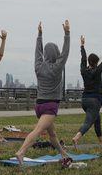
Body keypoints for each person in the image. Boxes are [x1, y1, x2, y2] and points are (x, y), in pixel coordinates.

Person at [15, 21, 72, 165]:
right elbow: (65, 52)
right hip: (50, 106)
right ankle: (21, 152)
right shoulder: (57, 67)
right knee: (37, 131)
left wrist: (39, 35)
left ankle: (62, 152)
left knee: (52, 134)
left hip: (39, 106)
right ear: (56, 53)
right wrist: (67, 34)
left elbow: (37, 53)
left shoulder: (38, 66)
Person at [71, 34, 102, 146]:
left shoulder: (83, 70)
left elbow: (83, 59)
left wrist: (82, 46)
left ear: (89, 62)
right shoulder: (97, 70)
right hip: (94, 100)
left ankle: (101, 140)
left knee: (97, 118)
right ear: (96, 62)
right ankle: (77, 137)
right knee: (89, 122)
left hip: (84, 100)